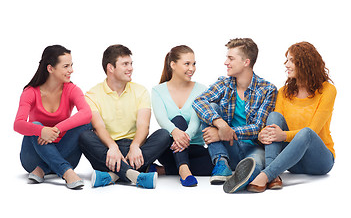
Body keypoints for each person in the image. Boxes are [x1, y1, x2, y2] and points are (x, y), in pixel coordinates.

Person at [247, 42, 336, 193]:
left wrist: (282, 135)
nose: (286, 65)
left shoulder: (328, 90)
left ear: (306, 63)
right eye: (286, 60)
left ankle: (266, 174)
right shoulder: (283, 92)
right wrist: (263, 134)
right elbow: (274, 126)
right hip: (292, 162)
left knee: (307, 133)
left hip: (320, 161)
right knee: (274, 116)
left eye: (291, 60)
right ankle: (273, 175)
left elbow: (313, 130)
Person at [79, 44, 170, 189]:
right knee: (84, 136)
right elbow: (98, 127)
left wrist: (135, 146)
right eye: (125, 64)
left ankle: (111, 176)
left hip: (134, 149)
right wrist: (112, 147)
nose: (130, 68)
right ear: (110, 68)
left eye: (131, 64)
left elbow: (143, 126)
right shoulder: (92, 95)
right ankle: (135, 176)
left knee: (164, 134)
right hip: (107, 151)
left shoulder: (140, 91)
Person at [192, 38, 277, 193]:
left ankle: (245, 175)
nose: (226, 62)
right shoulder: (224, 83)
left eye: (231, 58)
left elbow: (258, 127)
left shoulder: (268, 89)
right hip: (227, 149)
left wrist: (223, 133)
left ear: (246, 62)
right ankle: (221, 163)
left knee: (256, 163)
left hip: (253, 148)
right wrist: (221, 124)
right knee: (211, 107)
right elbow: (198, 101)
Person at [14, 45, 92, 189]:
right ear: (50, 68)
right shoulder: (30, 92)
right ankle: (66, 172)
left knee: (86, 123)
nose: (71, 70)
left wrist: (56, 129)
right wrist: (41, 131)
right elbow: (18, 124)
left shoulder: (72, 89)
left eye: (71, 65)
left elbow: (87, 114)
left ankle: (43, 169)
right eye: (66, 66)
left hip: (66, 153)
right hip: (33, 158)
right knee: (36, 124)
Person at [151, 45, 213, 187]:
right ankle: (184, 169)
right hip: (169, 148)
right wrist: (175, 132)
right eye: (187, 64)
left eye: (194, 64)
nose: (192, 68)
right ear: (173, 64)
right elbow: (162, 120)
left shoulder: (202, 89)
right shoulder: (158, 90)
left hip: (193, 147)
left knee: (212, 165)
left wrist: (185, 138)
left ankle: (164, 170)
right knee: (178, 120)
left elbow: (195, 122)